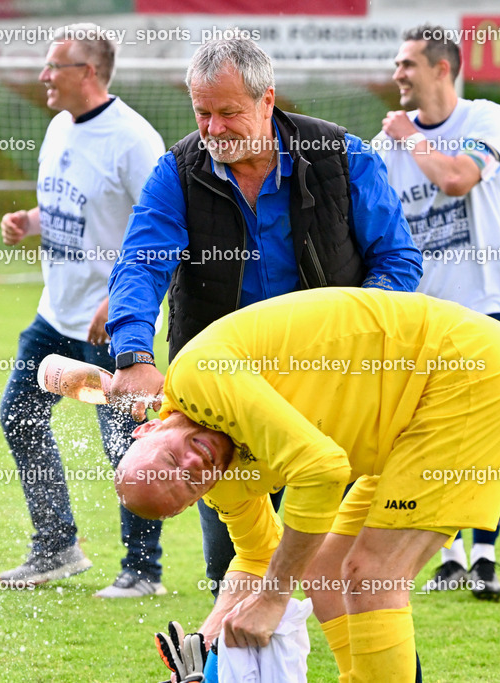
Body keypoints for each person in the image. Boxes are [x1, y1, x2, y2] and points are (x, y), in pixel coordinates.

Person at [104, 36, 423, 595]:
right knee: (235, 571)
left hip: (332, 395)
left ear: (267, 100)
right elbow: (141, 263)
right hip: (218, 410)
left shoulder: (342, 158)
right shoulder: (178, 172)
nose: (215, 129)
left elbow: (396, 260)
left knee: (346, 579)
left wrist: (361, 335)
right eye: (203, 113)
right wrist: (133, 354)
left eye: (229, 113)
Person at [114, 287, 500, 683]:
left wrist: (273, 598)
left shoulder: (197, 378)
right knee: (325, 569)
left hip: (472, 371)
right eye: (190, 482)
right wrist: (204, 648)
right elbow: (256, 555)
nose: (195, 463)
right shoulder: (220, 477)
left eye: (174, 458)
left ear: (147, 430)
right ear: (195, 500)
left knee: (374, 575)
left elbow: (321, 469)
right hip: (412, 416)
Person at [0, 24, 167, 597]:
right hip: (56, 315)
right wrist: (32, 222)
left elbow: (164, 230)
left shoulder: (134, 140)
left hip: (111, 322)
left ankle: (143, 571)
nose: (44, 76)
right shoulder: (58, 126)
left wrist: (120, 300)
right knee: (19, 415)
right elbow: (67, 205)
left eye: (54, 66)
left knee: (126, 448)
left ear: (87, 73)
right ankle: (57, 547)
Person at [374, 24, 500, 600]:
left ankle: (486, 556)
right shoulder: (384, 144)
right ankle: (448, 557)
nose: (397, 75)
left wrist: (406, 136)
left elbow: (456, 178)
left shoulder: (486, 119)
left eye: (407, 64)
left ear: (443, 68)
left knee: (490, 439)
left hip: (487, 306)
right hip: (423, 319)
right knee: (423, 439)